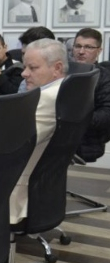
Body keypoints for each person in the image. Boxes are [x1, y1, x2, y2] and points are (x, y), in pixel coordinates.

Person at [9, 39, 68, 223]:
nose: (24, 73)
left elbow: (12, 143)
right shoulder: (67, 89)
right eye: (24, 67)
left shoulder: (45, 98)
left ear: (57, 68)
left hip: (16, 183)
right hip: (45, 183)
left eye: (32, 68)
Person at [71, 28, 110, 162]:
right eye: (78, 46)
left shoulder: (105, 77)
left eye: (88, 47)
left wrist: (76, 118)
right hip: (57, 141)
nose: (81, 51)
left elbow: (107, 113)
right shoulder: (62, 72)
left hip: (87, 144)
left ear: (99, 51)